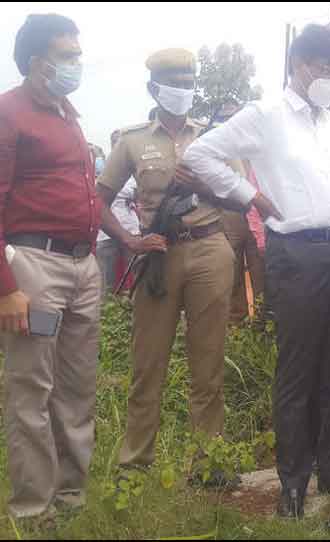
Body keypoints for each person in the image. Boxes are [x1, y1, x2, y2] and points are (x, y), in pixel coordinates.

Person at [182, 24, 330, 518]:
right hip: (297, 253)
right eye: (324, 70)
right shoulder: (265, 116)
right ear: (300, 66)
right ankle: (293, 481)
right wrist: (251, 195)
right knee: (297, 370)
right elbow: (200, 154)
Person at [97, 49, 236, 482]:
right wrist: (129, 240)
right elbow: (97, 200)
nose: (184, 88)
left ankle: (208, 463)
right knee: (147, 363)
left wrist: (204, 184)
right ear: (153, 88)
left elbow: (238, 195)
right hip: (158, 255)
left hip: (210, 249)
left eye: (189, 79)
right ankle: (135, 465)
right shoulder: (132, 140)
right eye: (174, 80)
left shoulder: (214, 137)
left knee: (209, 363)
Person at [0, 14, 101, 521]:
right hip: (35, 268)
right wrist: (6, 288)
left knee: (77, 387)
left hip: (84, 267)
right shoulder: (9, 113)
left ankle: (71, 499)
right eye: (68, 55)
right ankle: (32, 511)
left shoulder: (68, 113)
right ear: (38, 62)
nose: (76, 64)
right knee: (31, 390)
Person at [211, 99, 266, 323]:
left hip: (257, 215)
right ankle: (237, 324)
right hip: (228, 215)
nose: (230, 122)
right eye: (225, 118)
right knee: (231, 275)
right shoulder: (214, 148)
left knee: (261, 273)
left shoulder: (256, 145)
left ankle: (263, 324)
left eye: (234, 117)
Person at [96, 130, 140, 295]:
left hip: (131, 228)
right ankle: (108, 315)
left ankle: (132, 310)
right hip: (105, 232)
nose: (119, 144)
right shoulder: (100, 168)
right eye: (116, 141)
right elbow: (98, 198)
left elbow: (139, 197)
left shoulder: (134, 170)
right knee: (105, 281)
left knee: (136, 276)